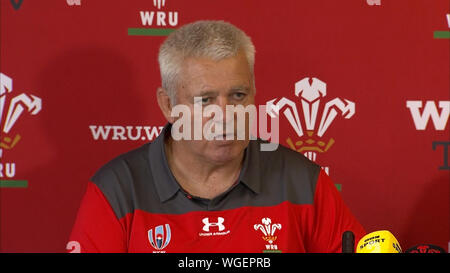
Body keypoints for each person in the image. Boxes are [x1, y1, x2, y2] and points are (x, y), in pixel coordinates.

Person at [68, 20, 365, 253]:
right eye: (205, 100)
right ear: (168, 105)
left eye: (238, 95)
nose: (226, 115)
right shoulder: (116, 191)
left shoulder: (303, 182)